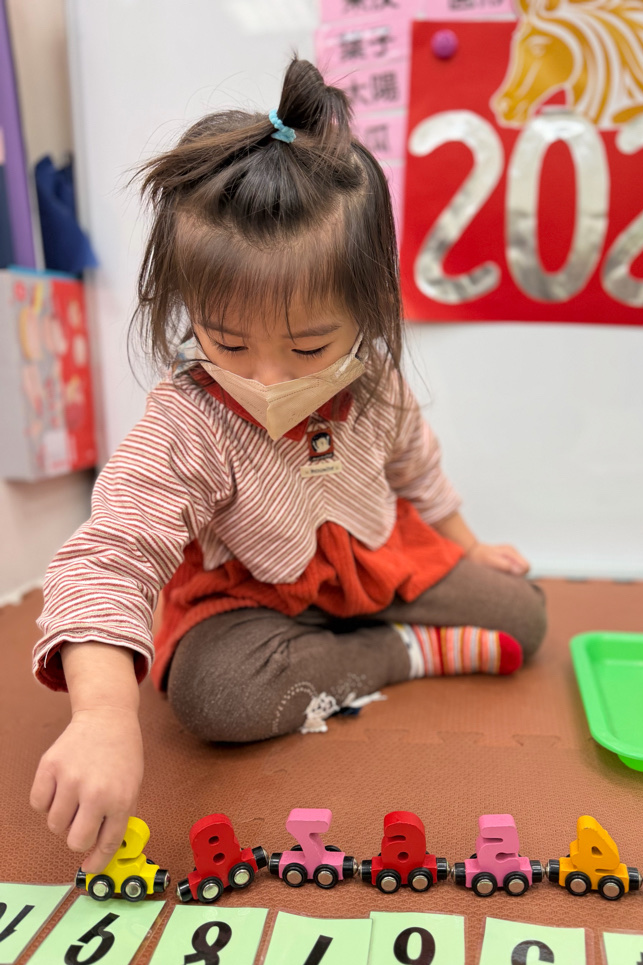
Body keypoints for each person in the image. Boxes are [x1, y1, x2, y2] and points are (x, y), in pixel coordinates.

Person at [29, 59, 546, 875]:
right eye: (228, 342)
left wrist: (469, 546)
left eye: (309, 348)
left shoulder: (377, 382)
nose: (268, 379)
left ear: (371, 306)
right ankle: (401, 654)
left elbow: (418, 468)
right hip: (253, 600)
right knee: (212, 698)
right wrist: (101, 718)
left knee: (525, 617)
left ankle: (356, 640)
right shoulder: (188, 422)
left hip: (375, 561)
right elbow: (110, 557)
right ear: (188, 310)